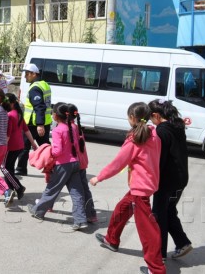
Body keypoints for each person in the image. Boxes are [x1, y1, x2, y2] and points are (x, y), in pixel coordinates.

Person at [89, 102, 165, 274]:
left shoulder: (135, 139)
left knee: (148, 232)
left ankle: (156, 269)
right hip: (146, 184)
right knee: (121, 209)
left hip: (140, 189)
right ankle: (111, 240)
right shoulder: (154, 134)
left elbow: (117, 164)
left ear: (132, 117)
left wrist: (98, 177)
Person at [27, 102, 87, 231]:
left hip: (63, 165)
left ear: (55, 115)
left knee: (51, 189)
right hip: (75, 163)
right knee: (77, 193)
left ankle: (38, 211)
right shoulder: (72, 127)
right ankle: (80, 220)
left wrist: (49, 151)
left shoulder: (58, 129)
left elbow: (57, 151)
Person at [148, 99, 193, 260]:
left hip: (166, 182)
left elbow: (160, 160)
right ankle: (182, 242)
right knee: (168, 211)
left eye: (150, 118)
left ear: (156, 115)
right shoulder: (178, 126)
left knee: (159, 216)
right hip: (180, 179)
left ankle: (159, 256)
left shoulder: (161, 132)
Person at [15, 63, 52, 176]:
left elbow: (39, 106)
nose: (25, 76)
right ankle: (52, 166)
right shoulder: (44, 84)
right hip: (44, 122)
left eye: (27, 74)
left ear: (34, 74)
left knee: (24, 147)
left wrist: (39, 124)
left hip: (34, 123)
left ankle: (21, 169)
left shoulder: (35, 88)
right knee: (45, 146)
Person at [4, 93, 37, 200]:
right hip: (19, 145)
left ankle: (18, 187)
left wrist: (3, 147)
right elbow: (26, 130)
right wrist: (33, 143)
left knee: (5, 168)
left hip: (11, 146)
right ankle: (11, 189)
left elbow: (8, 134)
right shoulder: (18, 114)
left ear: (12, 103)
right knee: (9, 168)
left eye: (7, 102)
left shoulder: (10, 115)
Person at [69, 104, 98, 223]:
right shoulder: (77, 127)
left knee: (77, 190)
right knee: (84, 189)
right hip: (82, 163)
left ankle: (87, 214)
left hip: (74, 164)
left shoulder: (70, 128)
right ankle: (91, 214)